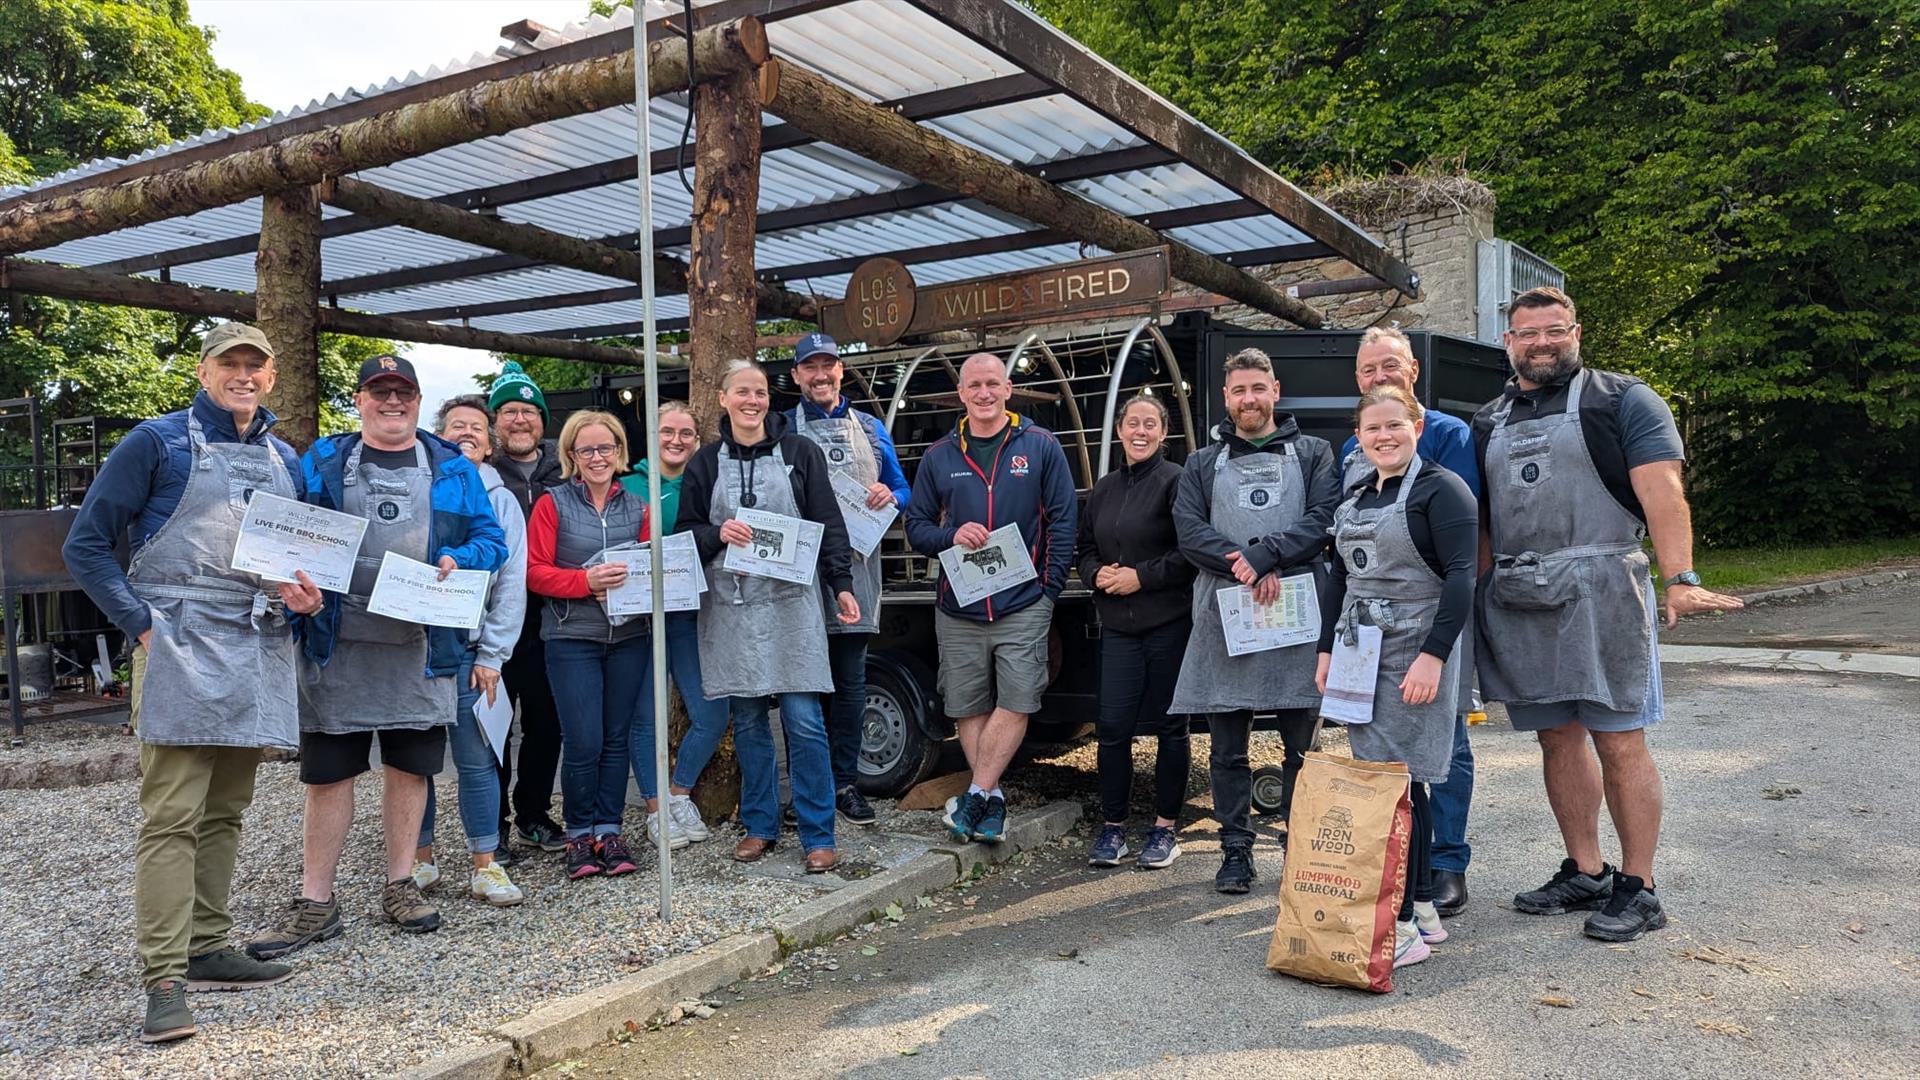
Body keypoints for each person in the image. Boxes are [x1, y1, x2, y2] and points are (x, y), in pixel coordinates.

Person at [62, 322, 324, 1044]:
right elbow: (85, 544)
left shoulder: (284, 457)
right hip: (177, 638)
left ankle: (209, 945)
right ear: (206, 372)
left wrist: (303, 598)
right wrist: (139, 624)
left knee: (228, 807)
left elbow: (293, 558)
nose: (243, 375)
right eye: (229, 363)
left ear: (270, 377)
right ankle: (164, 979)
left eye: (256, 365)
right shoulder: (157, 441)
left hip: (257, 638)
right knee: (172, 813)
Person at [1474, 286, 1742, 942]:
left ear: (1577, 332)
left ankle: (1640, 885)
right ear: (1508, 342)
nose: (1541, 342)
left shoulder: (1622, 401)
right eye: (1527, 333)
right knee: (1556, 737)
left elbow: (1663, 494)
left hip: (1603, 592)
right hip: (1522, 598)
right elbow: (1483, 523)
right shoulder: (1489, 420)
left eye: (1554, 330)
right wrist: (1470, 601)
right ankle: (1587, 871)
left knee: (1620, 740)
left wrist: (1681, 578)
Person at [248, 355, 506, 959]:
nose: (393, 402)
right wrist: (297, 589)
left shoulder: (452, 465)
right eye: (380, 391)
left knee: (409, 767)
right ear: (360, 399)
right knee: (329, 772)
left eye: (404, 392)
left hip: (420, 643)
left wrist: (459, 561)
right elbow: (289, 532)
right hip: (336, 639)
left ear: (418, 400)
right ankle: (316, 900)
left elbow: (490, 540)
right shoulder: (325, 459)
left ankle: (401, 884)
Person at [1316, 385, 1477, 969]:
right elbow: (1338, 577)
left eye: (1395, 425)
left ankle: (1401, 923)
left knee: (1398, 786)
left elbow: (1462, 577)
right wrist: (1325, 649)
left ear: (1416, 425)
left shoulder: (1442, 490)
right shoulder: (1358, 493)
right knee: (1396, 783)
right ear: (1358, 437)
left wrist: (1434, 655)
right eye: (1372, 429)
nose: (1384, 437)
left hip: (1414, 651)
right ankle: (1424, 908)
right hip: (1360, 647)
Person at [1170, 348, 1339, 894]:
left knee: (1301, 747)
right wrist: (1246, 566)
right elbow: (1190, 532)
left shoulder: (1313, 453)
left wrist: (1270, 556)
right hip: (1227, 612)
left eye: (1258, 388)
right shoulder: (1201, 462)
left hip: (1295, 612)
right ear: (1226, 398)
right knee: (1226, 748)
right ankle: (1236, 850)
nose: (1250, 399)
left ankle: (1300, 847)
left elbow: (1323, 519)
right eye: (1239, 391)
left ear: (1275, 389)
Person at [681, 360, 859, 874]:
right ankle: (759, 825)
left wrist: (841, 585)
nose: (752, 400)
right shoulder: (706, 463)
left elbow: (829, 520)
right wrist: (720, 533)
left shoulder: (801, 452)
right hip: (733, 609)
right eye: (742, 392)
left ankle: (817, 832)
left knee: (805, 722)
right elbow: (687, 530)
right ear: (723, 399)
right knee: (751, 722)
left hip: (792, 605)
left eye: (759, 392)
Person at [904, 353, 1077, 844]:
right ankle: (991, 801)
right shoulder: (940, 454)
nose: (983, 393)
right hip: (959, 606)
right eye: (974, 385)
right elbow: (915, 527)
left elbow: (1063, 520)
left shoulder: (1040, 446)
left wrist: (1049, 590)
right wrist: (951, 535)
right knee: (968, 705)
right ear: (961, 394)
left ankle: (977, 793)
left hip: (1023, 601)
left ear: (1008, 389)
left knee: (1018, 698)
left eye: (992, 384)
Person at [786, 333, 913, 825]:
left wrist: (890, 495)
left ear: (841, 370)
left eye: (828, 366)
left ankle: (845, 784)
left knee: (851, 685)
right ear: (796, 376)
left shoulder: (872, 427)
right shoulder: (783, 429)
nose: (820, 375)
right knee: (804, 686)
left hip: (857, 572)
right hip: (799, 575)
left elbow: (904, 487)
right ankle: (807, 791)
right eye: (809, 367)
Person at [412, 395, 528, 906]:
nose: (467, 433)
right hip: (412, 647)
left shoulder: (502, 502)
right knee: (414, 759)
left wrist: (493, 654)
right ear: (439, 435)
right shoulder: (421, 488)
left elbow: (512, 584)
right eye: (456, 425)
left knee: (477, 758)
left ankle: (486, 863)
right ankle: (420, 857)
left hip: (471, 648)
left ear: (490, 441)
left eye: (477, 428)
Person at [525, 409, 650, 881]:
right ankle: (579, 834)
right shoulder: (552, 504)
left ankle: (609, 830)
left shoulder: (639, 507)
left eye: (606, 448)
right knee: (584, 740)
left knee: (616, 740)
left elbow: (649, 567)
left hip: (629, 637)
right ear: (572, 456)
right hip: (571, 637)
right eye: (587, 450)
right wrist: (584, 581)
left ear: (619, 452)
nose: (597, 457)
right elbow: (534, 572)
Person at [1074, 393, 1196, 870]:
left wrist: (1140, 576)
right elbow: (1083, 547)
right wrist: (1094, 575)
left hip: (1167, 622)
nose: (1140, 431)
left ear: (1164, 434)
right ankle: (1113, 828)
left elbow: (1190, 552)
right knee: (1112, 728)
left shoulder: (1176, 481)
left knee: (1171, 726)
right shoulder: (1103, 489)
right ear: (1120, 430)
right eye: (1132, 423)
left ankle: (1165, 829)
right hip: (1118, 627)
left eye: (1150, 424)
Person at [619, 402, 728, 847]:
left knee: (711, 713)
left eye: (686, 433)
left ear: (697, 440)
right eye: (668, 432)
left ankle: (679, 794)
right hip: (640, 619)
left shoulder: (705, 482)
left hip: (691, 614)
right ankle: (655, 810)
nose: (676, 441)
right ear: (653, 435)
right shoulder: (630, 484)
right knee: (645, 717)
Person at [488, 362, 567, 853]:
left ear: (543, 420)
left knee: (546, 722)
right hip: (496, 621)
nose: (520, 420)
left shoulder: (565, 468)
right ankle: (489, 821)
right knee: (493, 726)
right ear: (495, 421)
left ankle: (533, 811)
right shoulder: (479, 473)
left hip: (551, 618)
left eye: (529, 411)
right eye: (509, 411)